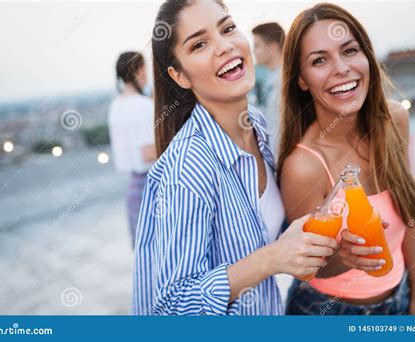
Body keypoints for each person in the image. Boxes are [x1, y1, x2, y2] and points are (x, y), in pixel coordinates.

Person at [132, 0, 338, 316]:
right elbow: (171, 307)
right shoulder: (189, 166)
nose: (225, 46)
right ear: (180, 76)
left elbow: (266, 233)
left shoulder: (256, 125)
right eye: (199, 44)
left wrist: (333, 237)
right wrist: (271, 258)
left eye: (227, 28)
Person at [277, 3, 415, 315]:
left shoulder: (394, 121)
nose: (341, 68)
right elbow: (309, 269)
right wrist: (343, 257)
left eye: (349, 51)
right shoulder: (303, 167)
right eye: (319, 60)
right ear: (302, 79)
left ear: (367, 56)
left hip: (399, 299)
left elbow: (409, 211)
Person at [108, 51, 156, 248]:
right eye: (145, 68)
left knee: (144, 254)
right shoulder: (143, 106)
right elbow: (148, 153)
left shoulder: (115, 106)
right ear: (138, 70)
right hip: (152, 187)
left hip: (133, 189)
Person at [250, 22, 285, 153]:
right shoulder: (268, 78)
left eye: (257, 45)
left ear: (272, 48)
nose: (253, 51)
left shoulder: (286, 81)